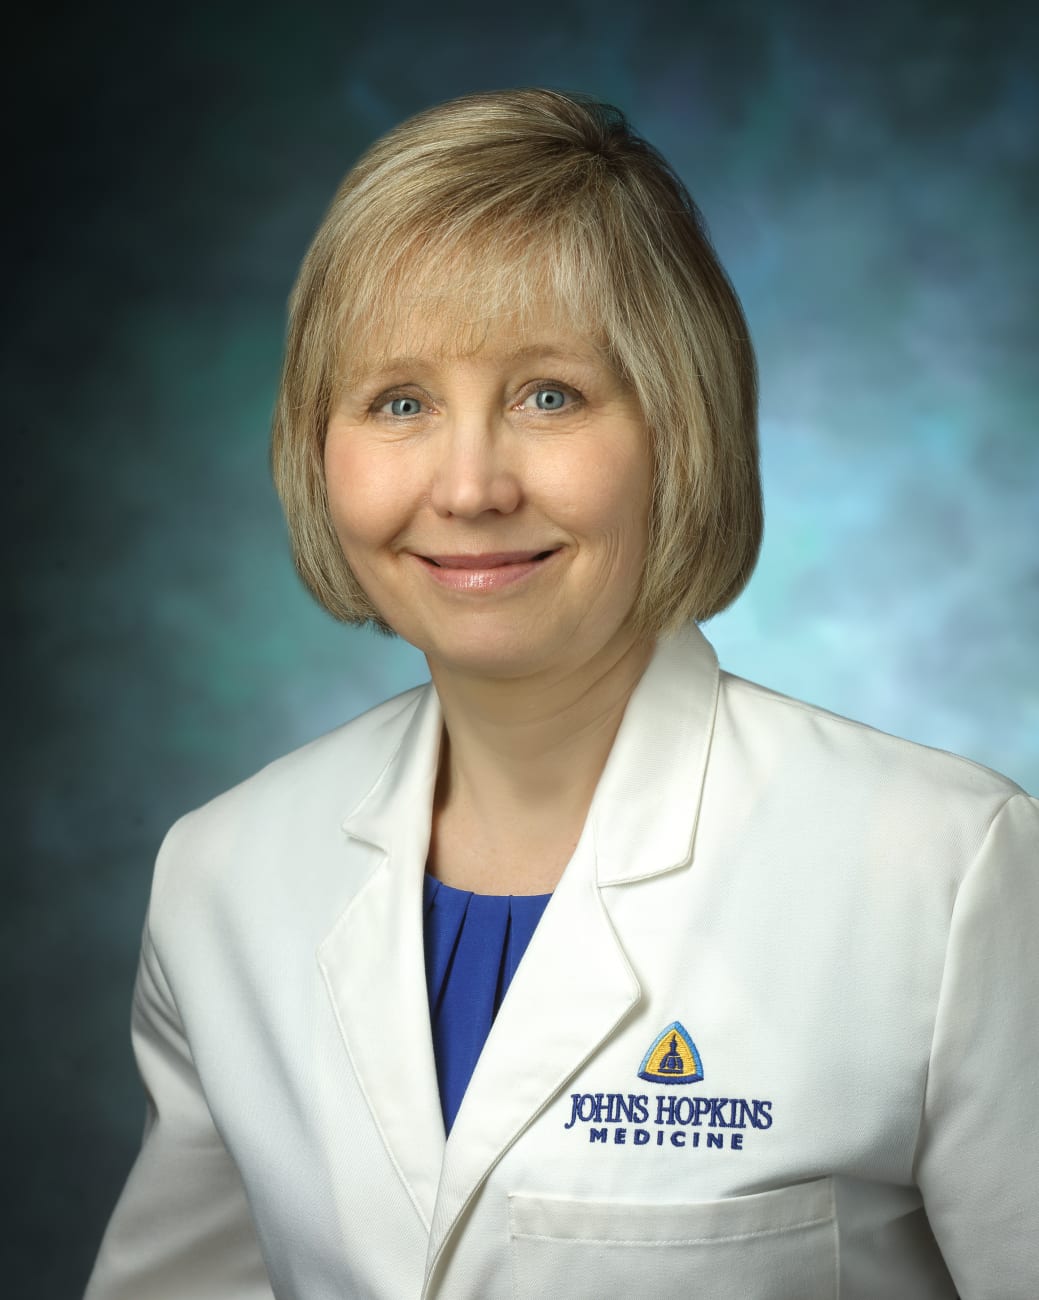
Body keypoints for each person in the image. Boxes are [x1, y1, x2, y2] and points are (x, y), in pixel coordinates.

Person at [86, 87, 1038, 1299]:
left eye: (550, 395)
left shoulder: (943, 874)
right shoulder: (222, 875)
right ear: (315, 448)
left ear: (677, 428)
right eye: (399, 402)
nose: (471, 485)